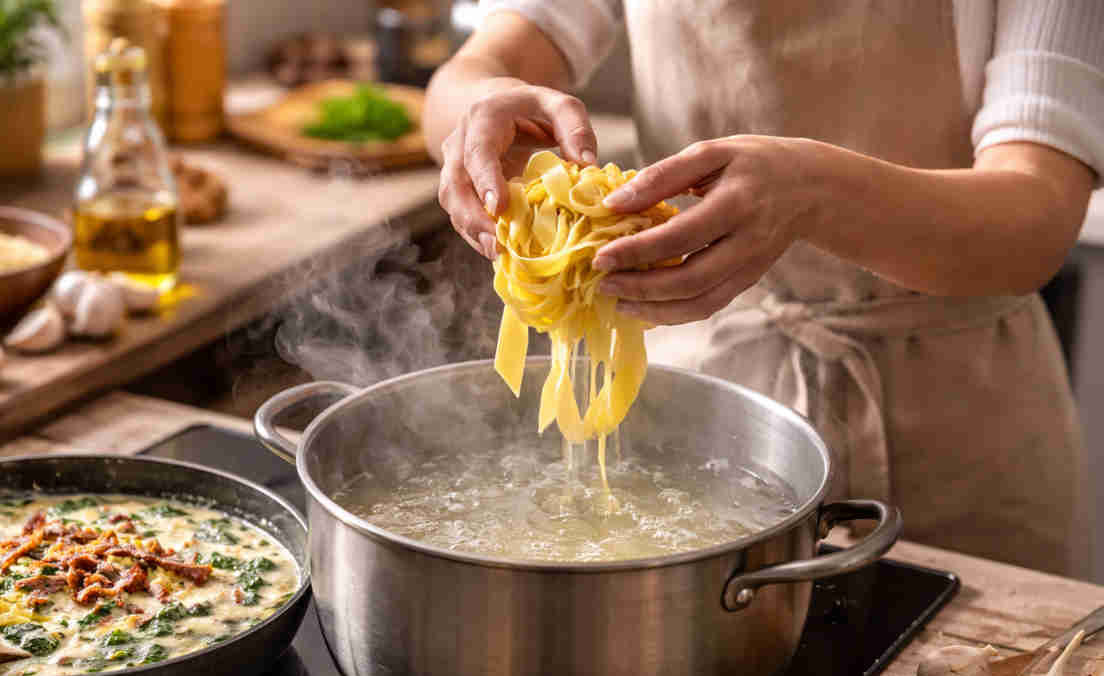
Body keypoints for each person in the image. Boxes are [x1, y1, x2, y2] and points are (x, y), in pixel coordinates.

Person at [422, 2, 1104, 578]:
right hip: (706, 407)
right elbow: (468, 78)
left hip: (965, 425)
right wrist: (479, 111)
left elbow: (1039, 210)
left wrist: (813, 194)